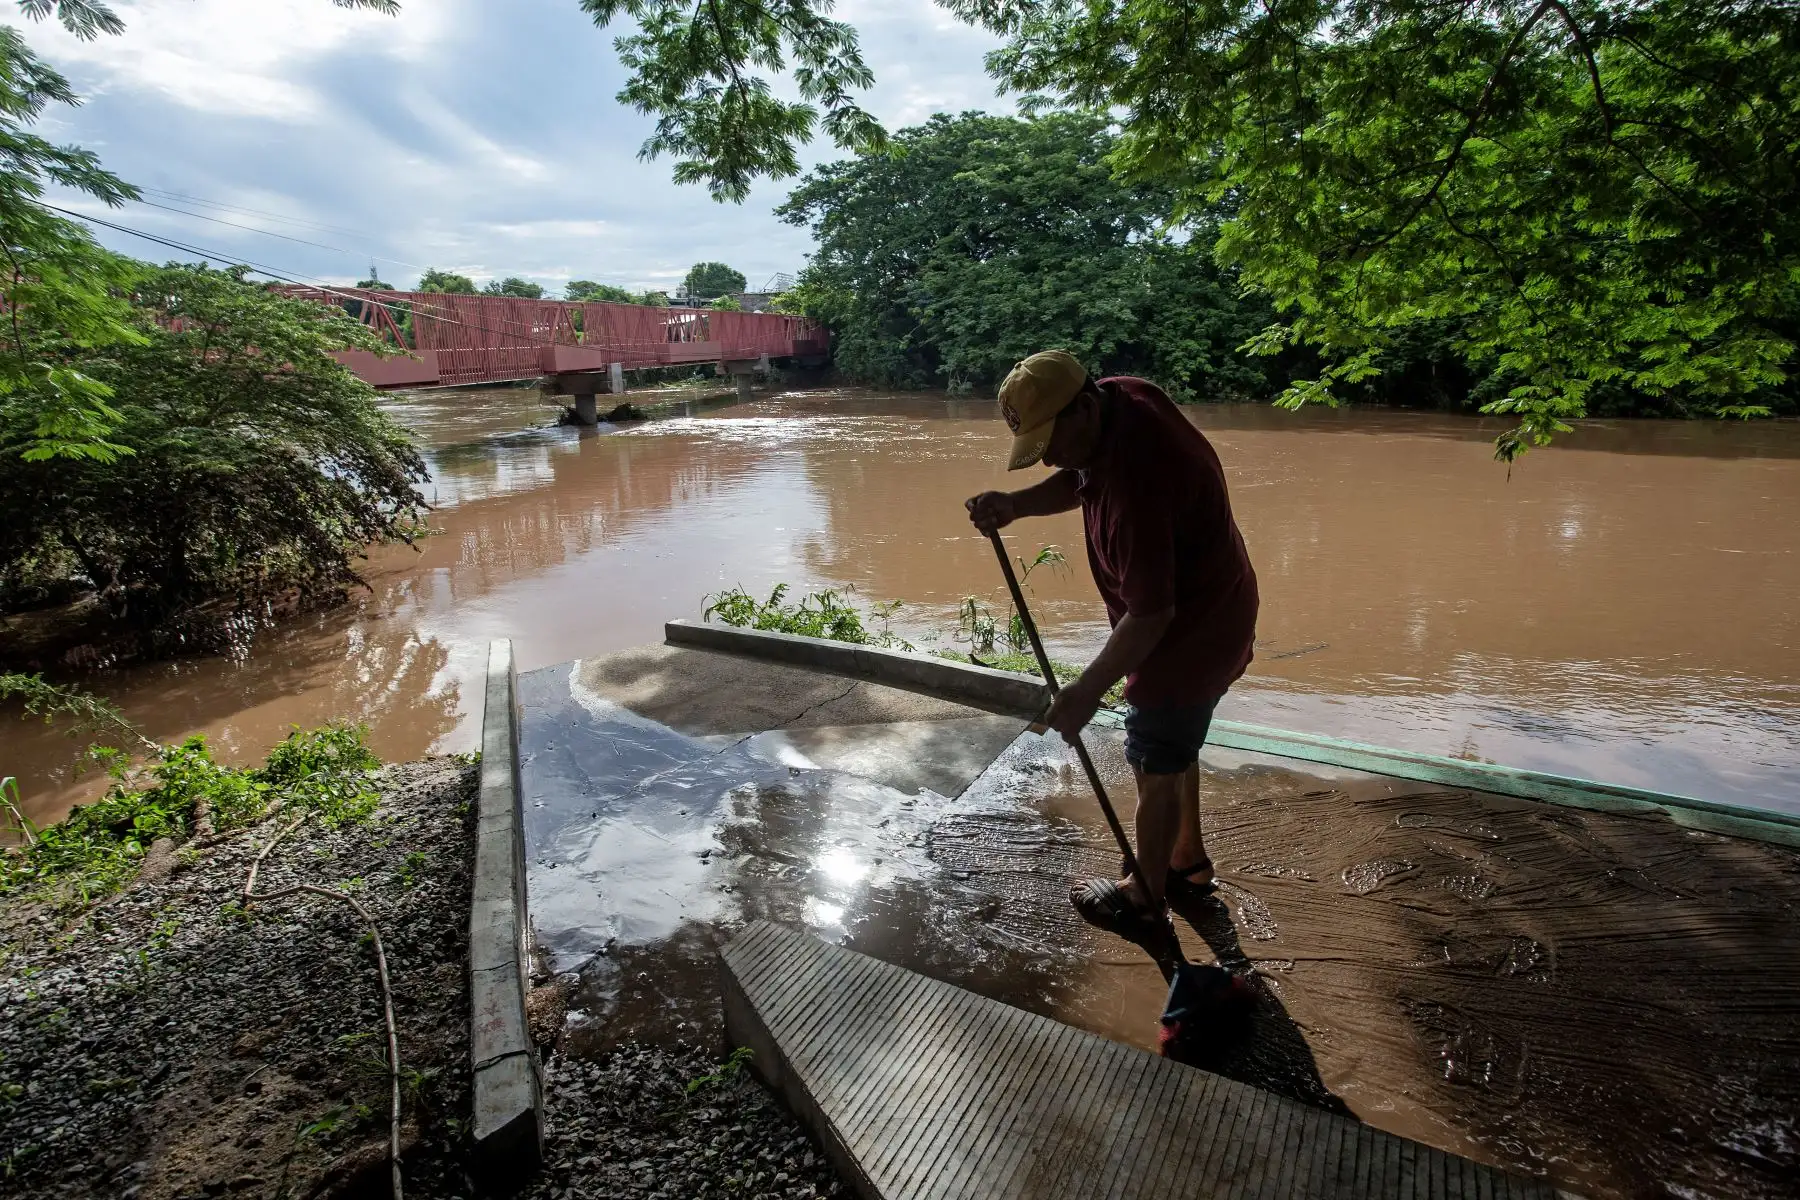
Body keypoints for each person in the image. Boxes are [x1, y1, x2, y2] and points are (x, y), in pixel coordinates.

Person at [965, 350, 1258, 939]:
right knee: (1175, 746)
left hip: (1186, 635)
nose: (1049, 456)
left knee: (1155, 757)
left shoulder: (1138, 490)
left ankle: (1145, 897)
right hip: (1215, 605)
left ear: (1086, 408)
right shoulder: (1124, 397)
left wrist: (1085, 691)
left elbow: (1151, 615)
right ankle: (1186, 862)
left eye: (1053, 440)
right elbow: (1080, 476)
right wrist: (1017, 504)